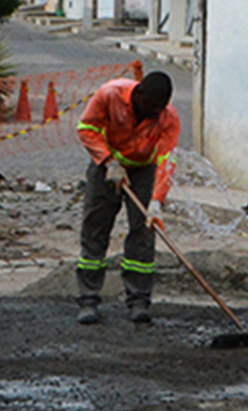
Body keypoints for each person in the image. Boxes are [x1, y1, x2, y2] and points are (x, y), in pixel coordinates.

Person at [73, 69, 178, 325]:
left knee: (143, 232)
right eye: (151, 107)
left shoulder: (168, 117)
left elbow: (166, 159)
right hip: (106, 165)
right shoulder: (110, 94)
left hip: (144, 169)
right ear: (139, 94)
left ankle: (139, 300)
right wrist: (109, 161)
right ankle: (88, 299)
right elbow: (86, 128)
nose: (155, 113)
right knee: (95, 227)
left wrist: (156, 201)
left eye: (160, 108)